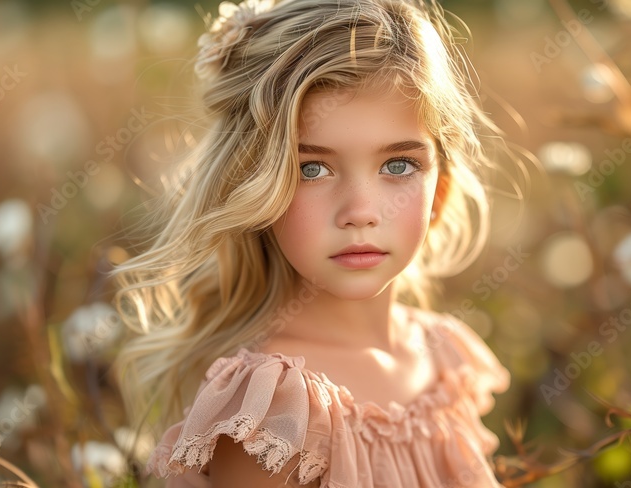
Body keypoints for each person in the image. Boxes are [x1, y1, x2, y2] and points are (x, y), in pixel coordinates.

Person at [111, 0, 516, 486]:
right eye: (312, 169)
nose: (361, 212)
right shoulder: (272, 409)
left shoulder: (442, 356)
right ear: (255, 189)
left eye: (398, 165)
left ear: (440, 194)